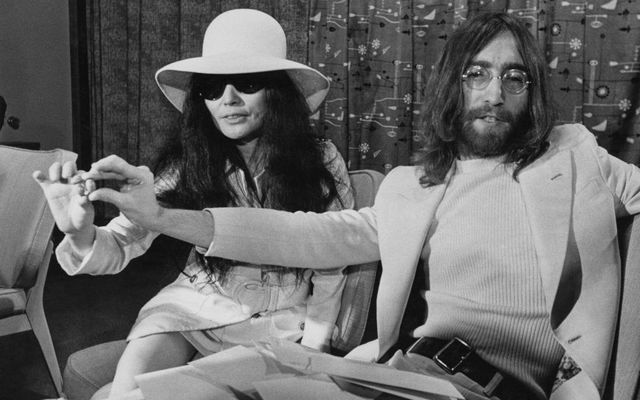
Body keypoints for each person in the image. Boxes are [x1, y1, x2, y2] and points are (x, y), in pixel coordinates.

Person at [43, 11, 639, 400]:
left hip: (494, 387)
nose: (492, 94)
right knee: (168, 391)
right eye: (475, 75)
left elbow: (324, 273)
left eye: (515, 79)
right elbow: (310, 237)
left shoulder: (577, 156)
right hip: (405, 370)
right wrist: (151, 218)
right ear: (450, 87)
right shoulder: (414, 184)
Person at [33, 8, 353, 400]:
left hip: (279, 325)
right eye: (212, 89)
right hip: (190, 308)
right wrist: (78, 231)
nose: (228, 100)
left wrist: (312, 354)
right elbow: (121, 243)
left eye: (247, 83)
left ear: (277, 91)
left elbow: (333, 265)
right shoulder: (191, 160)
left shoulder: (321, 159)